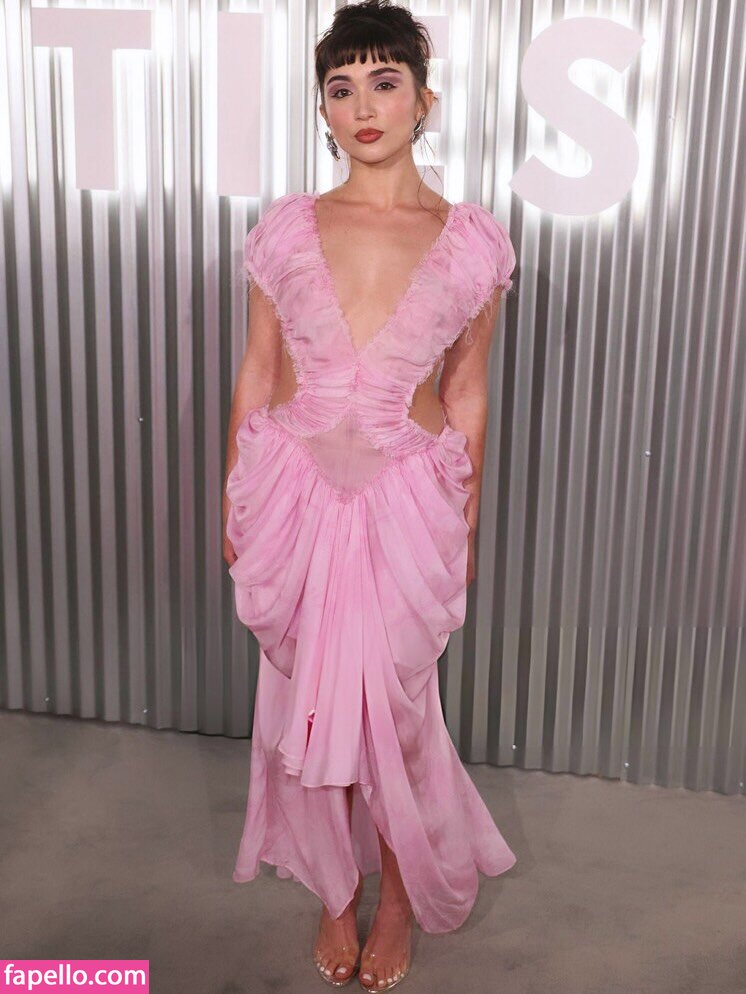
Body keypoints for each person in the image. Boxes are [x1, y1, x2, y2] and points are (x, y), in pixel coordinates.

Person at [222, 2, 517, 990]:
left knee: (395, 711)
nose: (362, 106)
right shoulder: (287, 229)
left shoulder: (469, 243)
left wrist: (464, 520)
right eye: (340, 88)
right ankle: (333, 886)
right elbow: (257, 368)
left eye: (384, 83)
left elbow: (466, 392)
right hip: (295, 494)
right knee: (314, 709)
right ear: (323, 110)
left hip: (405, 500)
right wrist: (234, 497)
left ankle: (396, 900)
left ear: (423, 101)